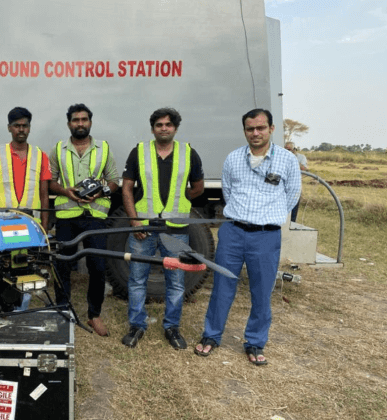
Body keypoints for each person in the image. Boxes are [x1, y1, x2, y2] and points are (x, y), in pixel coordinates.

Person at [194, 109, 301, 365]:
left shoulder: (287, 160)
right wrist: (243, 217)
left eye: (261, 128)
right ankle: (211, 336)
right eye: (250, 129)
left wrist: (266, 216)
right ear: (244, 131)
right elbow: (228, 192)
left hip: (265, 236)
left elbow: (292, 196)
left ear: (271, 129)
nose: (255, 133)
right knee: (222, 286)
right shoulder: (233, 159)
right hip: (233, 232)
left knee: (261, 292)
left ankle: (254, 342)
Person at [120, 108, 204, 349]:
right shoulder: (139, 151)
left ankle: (172, 327)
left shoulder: (189, 153)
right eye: (159, 124)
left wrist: (181, 200)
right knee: (137, 279)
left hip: (176, 229)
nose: (164, 128)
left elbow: (197, 188)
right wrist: (134, 220)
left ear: (175, 128)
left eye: (168, 124)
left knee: (176, 281)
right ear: (153, 128)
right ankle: (136, 326)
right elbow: (127, 188)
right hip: (143, 228)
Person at [49, 104, 119, 337]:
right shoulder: (58, 149)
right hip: (67, 216)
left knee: (98, 267)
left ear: (90, 121)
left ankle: (94, 315)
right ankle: (62, 312)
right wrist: (65, 191)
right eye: (76, 120)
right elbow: (50, 181)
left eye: (84, 119)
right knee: (62, 265)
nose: (80, 123)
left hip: (96, 217)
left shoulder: (104, 148)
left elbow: (114, 180)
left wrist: (101, 192)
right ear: (69, 123)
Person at [0, 107, 51, 231]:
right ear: (9, 127)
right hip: (2, 223)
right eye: (16, 126)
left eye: (25, 126)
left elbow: (44, 195)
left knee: (30, 252)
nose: (21, 130)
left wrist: (45, 227)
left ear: (29, 128)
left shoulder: (41, 156)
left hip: (32, 224)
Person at [284, 141, 307, 222]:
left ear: (294, 149)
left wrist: (293, 159)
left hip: (295, 187)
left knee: (293, 208)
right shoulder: (282, 157)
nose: (287, 151)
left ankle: (292, 223)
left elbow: (304, 168)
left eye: (289, 150)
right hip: (283, 187)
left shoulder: (301, 157)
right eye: (285, 149)